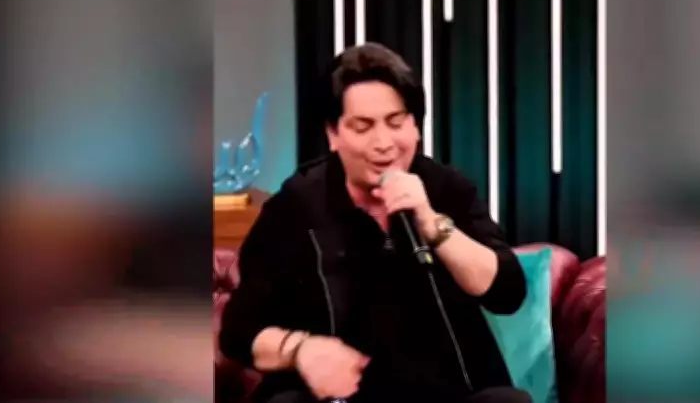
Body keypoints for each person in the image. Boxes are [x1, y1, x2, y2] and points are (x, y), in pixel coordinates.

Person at [219, 43, 531, 403]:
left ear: (415, 126)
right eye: (363, 127)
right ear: (333, 135)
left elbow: (507, 292)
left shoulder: (446, 189)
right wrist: (301, 350)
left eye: (396, 122)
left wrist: (432, 223)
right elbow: (238, 332)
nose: (383, 143)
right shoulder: (296, 206)